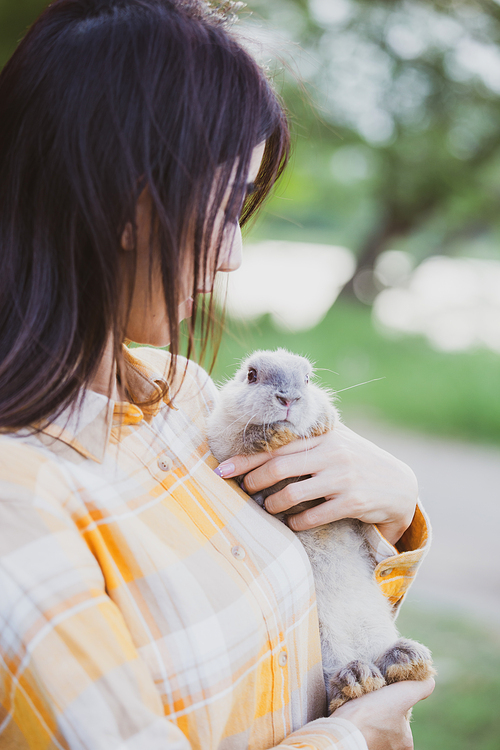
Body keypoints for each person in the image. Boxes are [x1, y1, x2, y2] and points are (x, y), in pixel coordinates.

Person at [0, 1, 434, 749]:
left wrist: (391, 512)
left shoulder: (185, 395)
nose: (232, 255)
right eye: (227, 206)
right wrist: (355, 737)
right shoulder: (18, 503)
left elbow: (309, 620)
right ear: (125, 203)